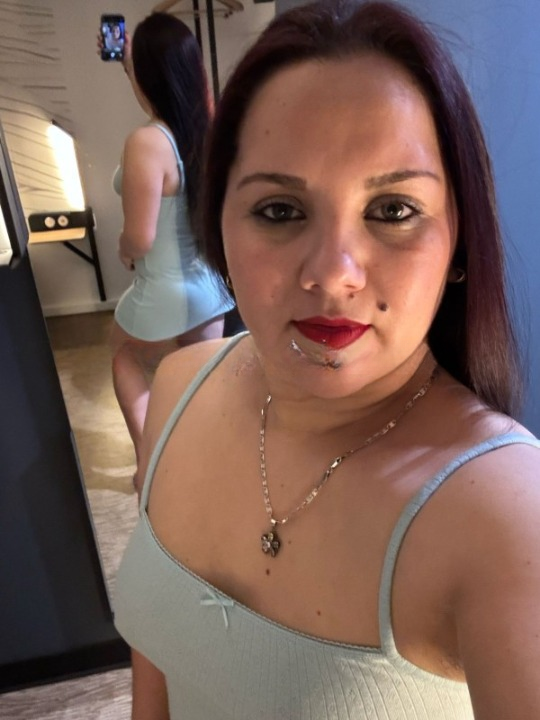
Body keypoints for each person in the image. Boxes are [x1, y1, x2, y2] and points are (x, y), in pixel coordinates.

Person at [113, 0, 540, 717]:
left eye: (393, 210)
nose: (333, 274)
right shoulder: (181, 388)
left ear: (460, 242)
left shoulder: (507, 515)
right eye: (280, 210)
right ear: (219, 224)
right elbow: (155, 678)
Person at [105, 13, 234, 492]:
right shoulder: (205, 130)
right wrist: (130, 62)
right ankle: (207, 478)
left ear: (148, 73)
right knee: (202, 388)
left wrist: (124, 250)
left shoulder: (146, 142)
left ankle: (149, 467)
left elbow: (140, 238)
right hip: (209, 290)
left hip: (162, 290)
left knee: (123, 356)